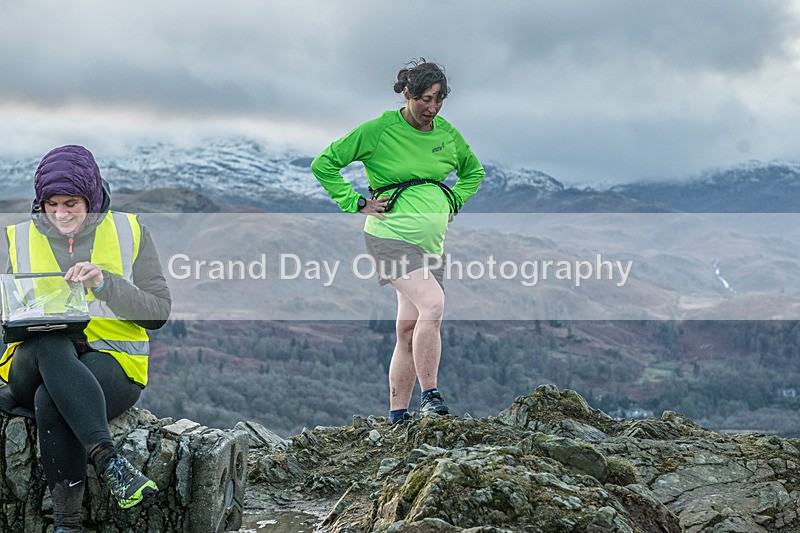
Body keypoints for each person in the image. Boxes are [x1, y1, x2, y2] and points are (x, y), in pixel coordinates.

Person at [0, 145, 171, 532]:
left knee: (53, 399)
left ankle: (67, 525)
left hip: (110, 365)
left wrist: (104, 284)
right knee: (48, 338)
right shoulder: (18, 238)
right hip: (31, 366)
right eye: (52, 204)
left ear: (90, 199)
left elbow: (158, 312)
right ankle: (109, 460)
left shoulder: (131, 231)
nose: (61, 214)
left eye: (71, 203)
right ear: (40, 202)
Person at [311, 58, 485, 424]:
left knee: (408, 328)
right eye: (425, 98)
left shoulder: (446, 134)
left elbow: (474, 171)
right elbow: (325, 163)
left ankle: (397, 416)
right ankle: (431, 396)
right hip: (388, 238)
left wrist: (454, 198)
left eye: (439, 99)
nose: (432, 108)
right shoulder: (379, 130)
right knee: (434, 305)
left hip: (431, 246)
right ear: (407, 92)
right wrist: (355, 202)